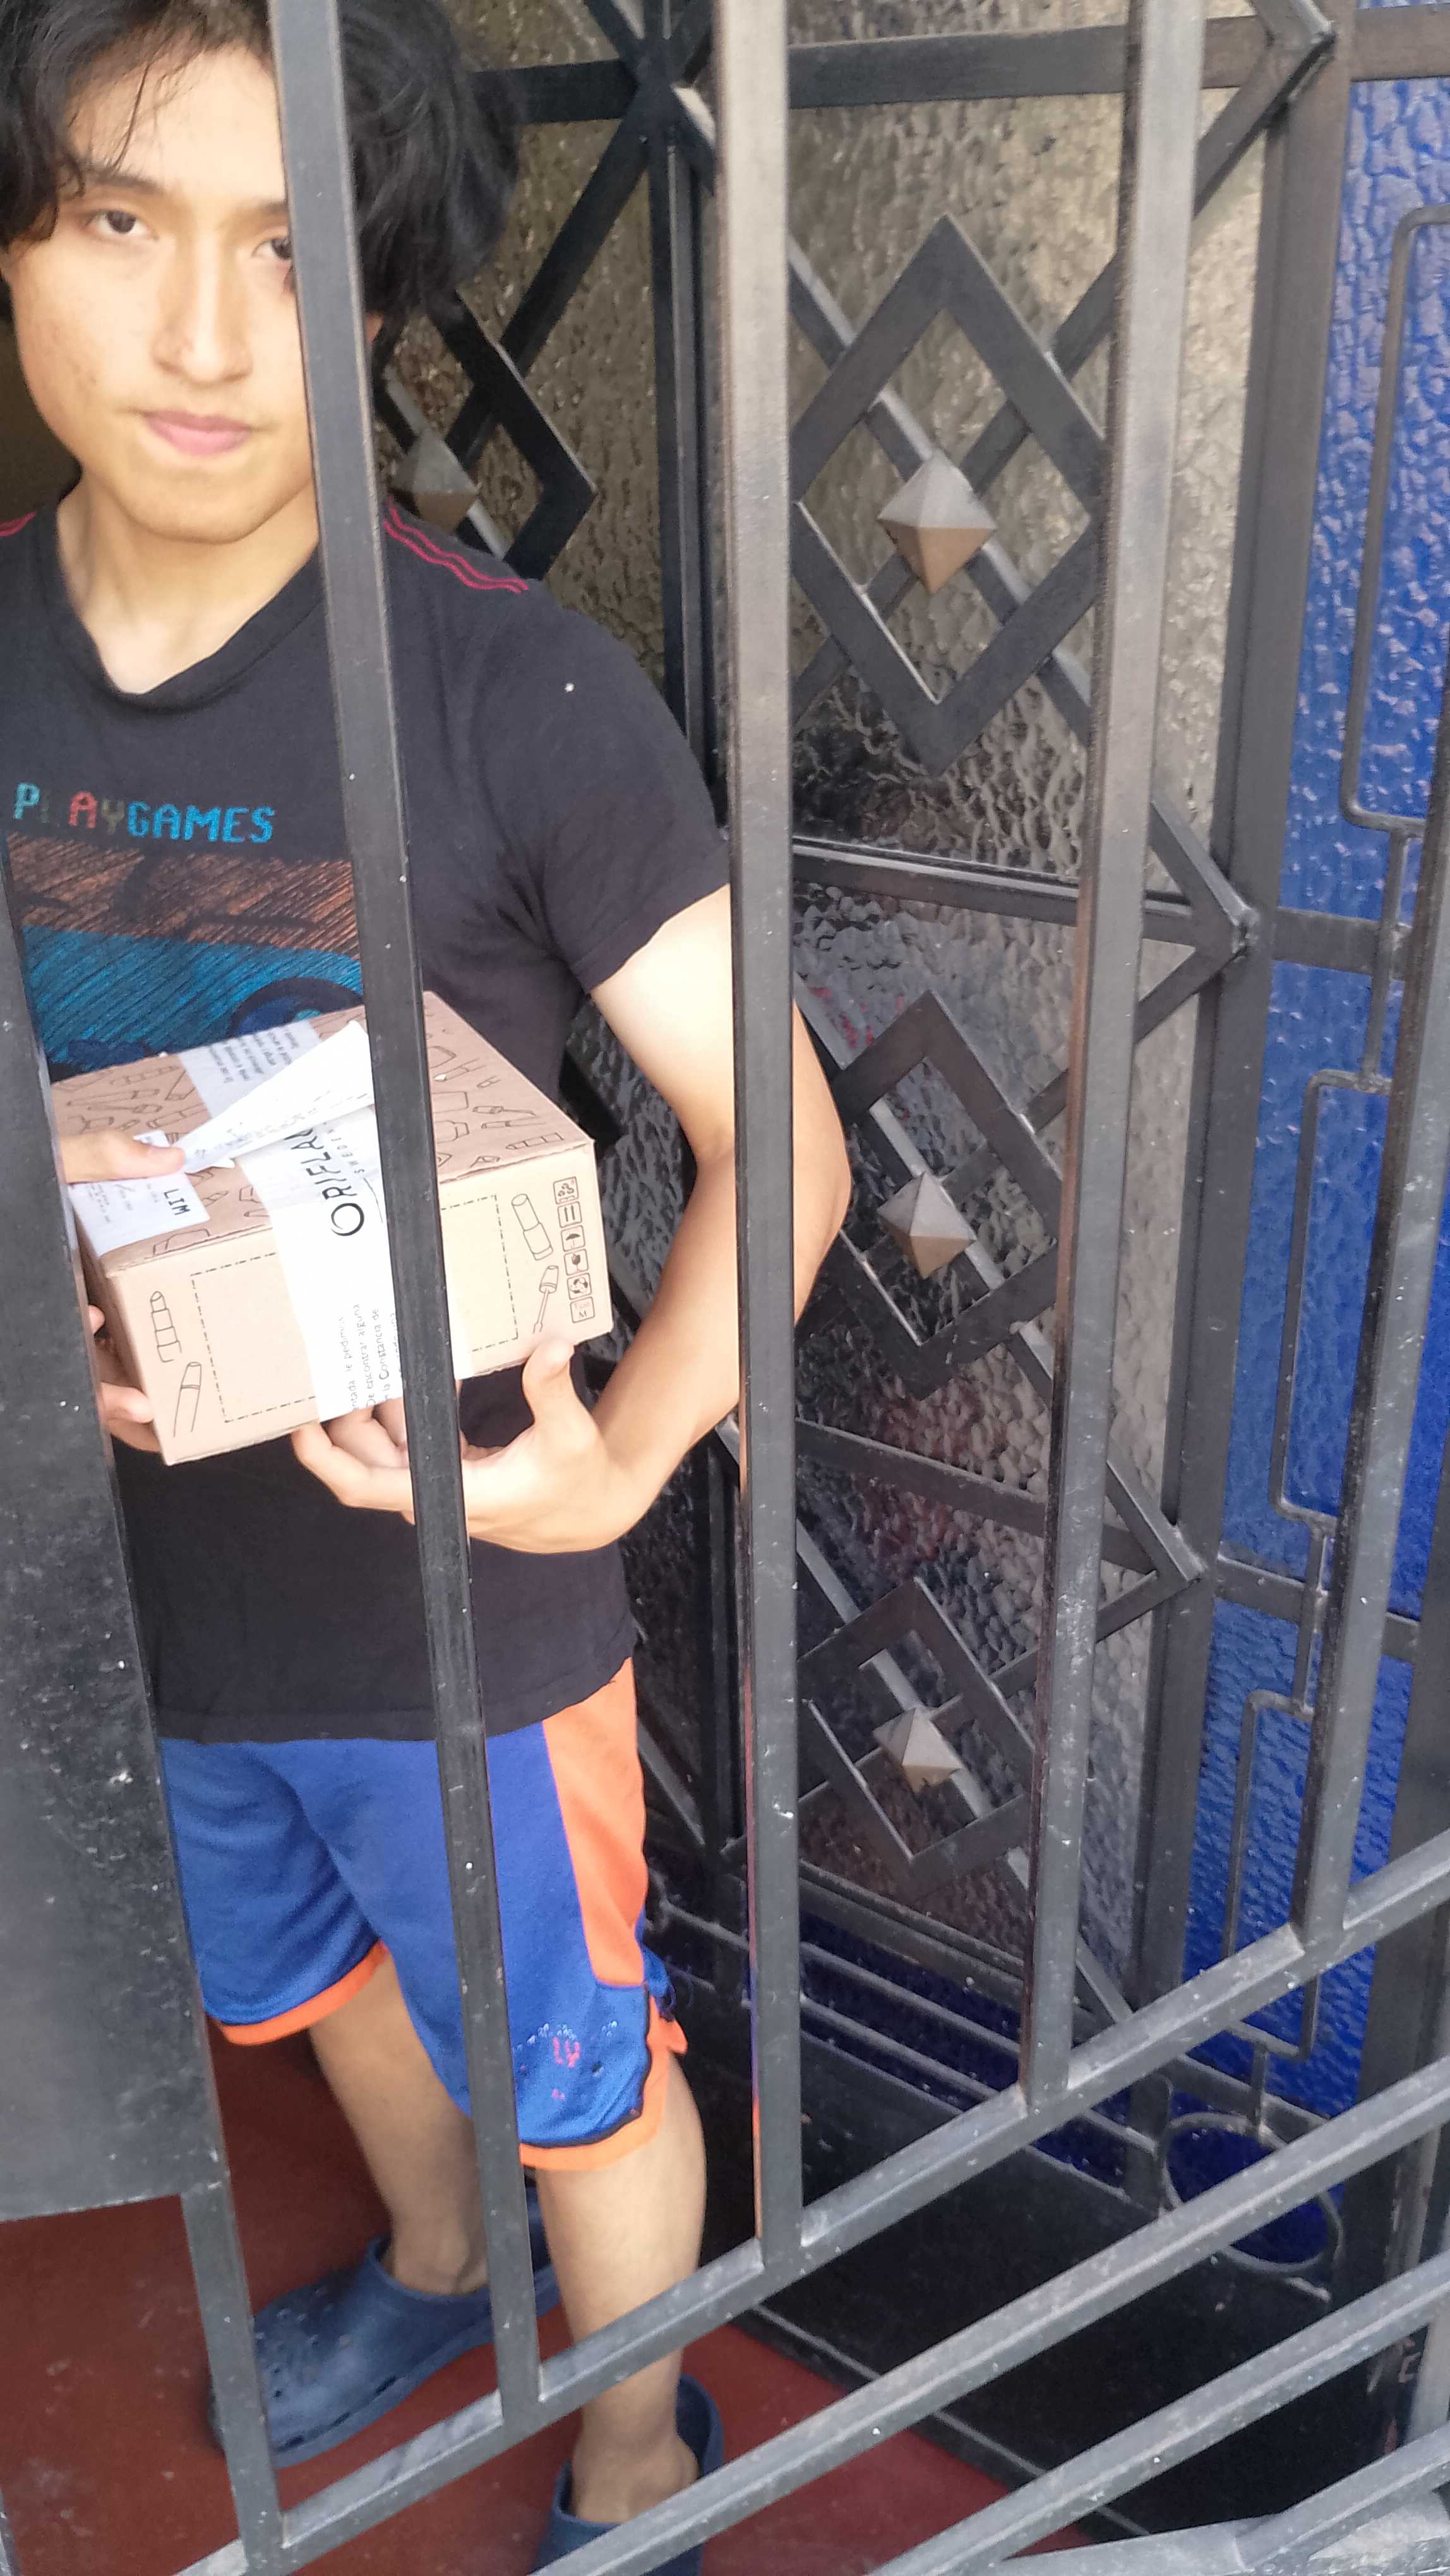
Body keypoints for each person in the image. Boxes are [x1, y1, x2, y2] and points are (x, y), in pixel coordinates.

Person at [0, 3, 850, 2565]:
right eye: (122, 221)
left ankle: (634, 2437)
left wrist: (627, 1452)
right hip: (122, 1599)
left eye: (290, 250)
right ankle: (436, 2257)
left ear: (377, 294)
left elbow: (784, 1145)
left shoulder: (508, 689)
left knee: (575, 2063)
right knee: (296, 1986)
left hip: (458, 1605)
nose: (200, 335)